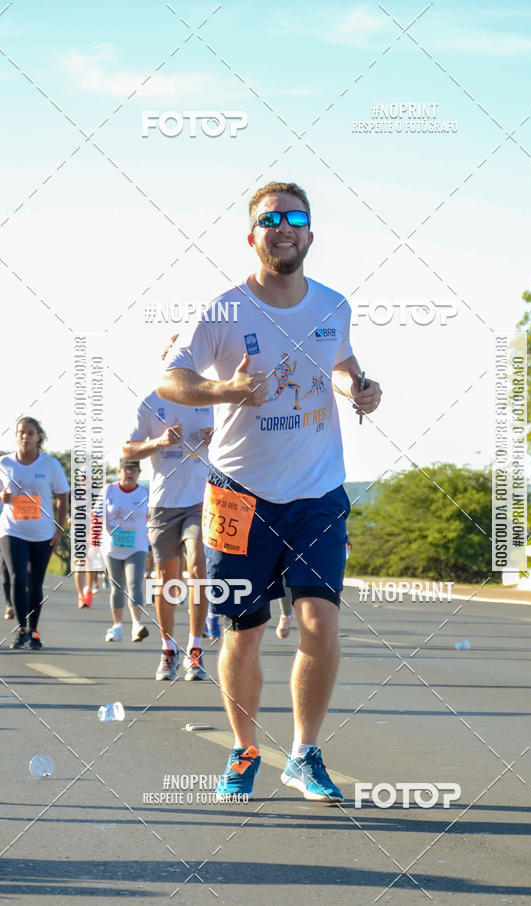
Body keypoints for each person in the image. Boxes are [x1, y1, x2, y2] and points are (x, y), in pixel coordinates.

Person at [158, 181, 382, 802]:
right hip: (239, 495)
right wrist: (227, 391)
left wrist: (361, 389)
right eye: (271, 218)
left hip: (318, 493)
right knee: (244, 631)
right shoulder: (223, 312)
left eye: (295, 218)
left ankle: (305, 754)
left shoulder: (334, 305)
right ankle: (246, 748)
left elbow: (342, 366)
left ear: (310, 234)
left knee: (319, 622)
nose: (284, 227)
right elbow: (172, 380)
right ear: (251, 235)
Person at [123, 388, 213, 681]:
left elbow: (239, 443)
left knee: (198, 567)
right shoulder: (151, 402)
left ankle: (195, 648)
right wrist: (160, 441)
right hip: (163, 503)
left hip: (202, 500)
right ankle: (168, 649)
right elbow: (128, 450)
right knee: (167, 579)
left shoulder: (210, 397)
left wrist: (217, 439)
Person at [0, 417, 68, 649]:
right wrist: (2, 497)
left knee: (35, 583)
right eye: (21, 432)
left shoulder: (50, 465)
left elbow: (62, 498)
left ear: (39, 437)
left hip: (42, 533)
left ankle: (34, 630)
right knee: (18, 577)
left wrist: (59, 530)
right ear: (16, 435)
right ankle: (22, 630)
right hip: (12, 530)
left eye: (30, 433)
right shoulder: (5, 463)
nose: (25, 437)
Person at [92, 459, 150, 643]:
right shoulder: (109, 490)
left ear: (139, 473)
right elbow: (97, 516)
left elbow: (153, 517)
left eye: (134, 470)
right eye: (126, 469)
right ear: (119, 471)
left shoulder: (145, 493)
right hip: (112, 547)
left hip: (137, 546)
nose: (130, 473)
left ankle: (136, 625)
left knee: (134, 583)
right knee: (117, 587)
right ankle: (117, 626)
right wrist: (94, 544)